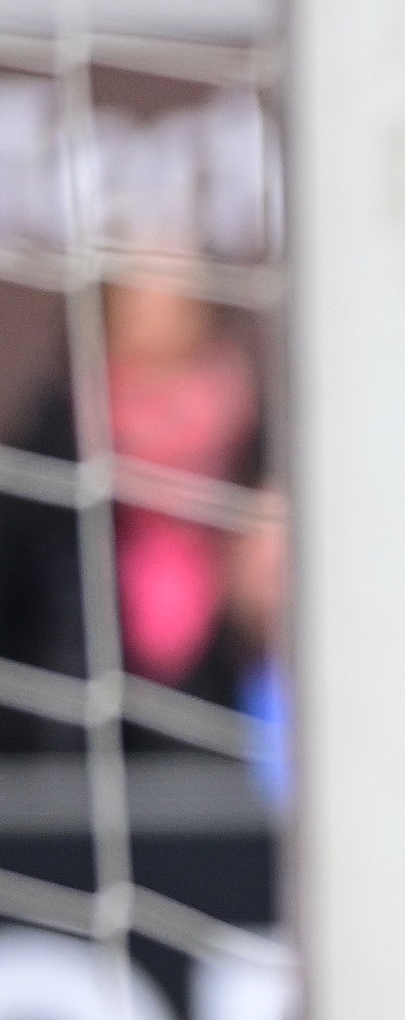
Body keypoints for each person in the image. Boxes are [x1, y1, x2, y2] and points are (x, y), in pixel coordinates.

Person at [0, 265, 268, 760]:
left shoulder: (272, 498)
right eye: (143, 367)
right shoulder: (35, 504)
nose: (168, 403)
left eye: (187, 362)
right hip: (53, 823)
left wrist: (270, 629)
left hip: (244, 823)